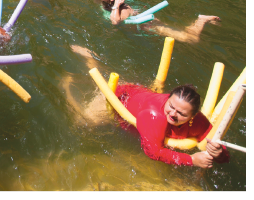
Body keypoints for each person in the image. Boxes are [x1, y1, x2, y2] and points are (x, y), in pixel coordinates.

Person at [62, 47, 229, 168]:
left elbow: (223, 154)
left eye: (181, 113)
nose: (173, 113)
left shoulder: (199, 121)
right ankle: (72, 77)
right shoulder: (155, 115)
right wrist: (191, 160)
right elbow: (153, 152)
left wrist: (219, 153)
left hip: (142, 97)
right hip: (122, 97)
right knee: (81, 121)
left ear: (193, 117)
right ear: (168, 98)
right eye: (171, 106)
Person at [91, 0, 221, 41]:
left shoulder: (121, 10)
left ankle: (202, 19)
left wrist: (117, 6)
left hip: (152, 25)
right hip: (148, 23)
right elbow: (107, 10)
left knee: (190, 39)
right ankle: (195, 24)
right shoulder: (113, 5)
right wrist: (98, 1)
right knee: (184, 33)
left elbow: (115, 22)